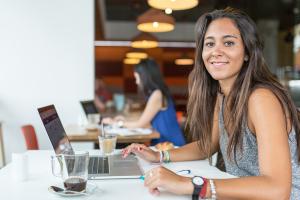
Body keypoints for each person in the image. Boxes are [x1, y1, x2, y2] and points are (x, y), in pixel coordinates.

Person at [122, 7, 300, 199]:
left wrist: (192, 185)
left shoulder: (261, 99)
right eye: (209, 44)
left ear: (247, 52)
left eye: (229, 42)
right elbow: (208, 146)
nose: (216, 52)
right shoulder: (223, 95)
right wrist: (159, 156)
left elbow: (277, 189)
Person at [103, 59, 186, 147]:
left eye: (137, 78)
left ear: (144, 77)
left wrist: (116, 123)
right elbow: (146, 122)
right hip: (165, 143)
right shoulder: (158, 93)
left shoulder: (157, 95)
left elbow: (141, 124)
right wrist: (124, 121)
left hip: (170, 145)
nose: (136, 82)